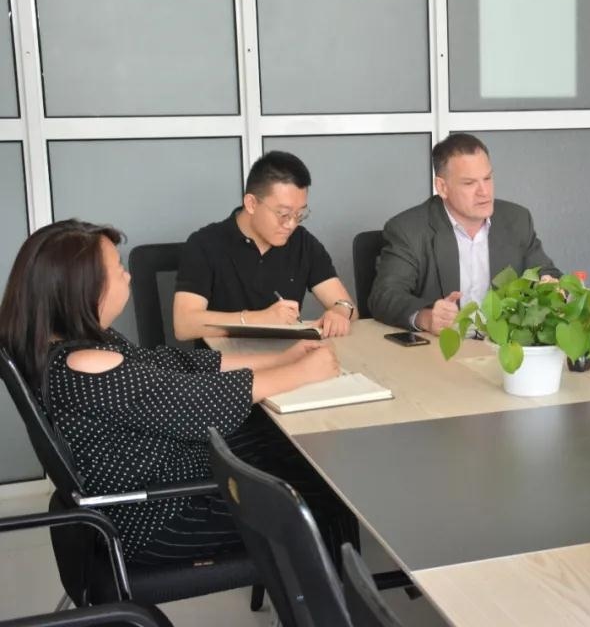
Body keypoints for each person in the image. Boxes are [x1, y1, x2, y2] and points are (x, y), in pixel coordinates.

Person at [0, 220, 353, 565]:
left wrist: (282, 358)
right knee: (325, 492)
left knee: (280, 446)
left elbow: (174, 364)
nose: (127, 276)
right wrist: (302, 372)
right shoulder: (86, 365)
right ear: (84, 288)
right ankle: (330, 596)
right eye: (118, 269)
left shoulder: (77, 346)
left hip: (163, 471)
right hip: (160, 515)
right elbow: (203, 405)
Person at [369, 133, 560, 333]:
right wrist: (426, 317)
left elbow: (547, 273)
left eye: (487, 178)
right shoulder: (409, 229)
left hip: (502, 344)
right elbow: (384, 296)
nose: (484, 191)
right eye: (469, 183)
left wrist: (552, 287)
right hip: (444, 345)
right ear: (442, 187)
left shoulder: (516, 220)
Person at [173, 150, 358, 341]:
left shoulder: (303, 242)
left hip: (289, 354)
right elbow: (184, 325)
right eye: (283, 214)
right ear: (251, 204)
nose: (291, 224)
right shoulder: (205, 244)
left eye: (299, 214)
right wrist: (258, 319)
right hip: (225, 357)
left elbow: (346, 305)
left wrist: (339, 312)